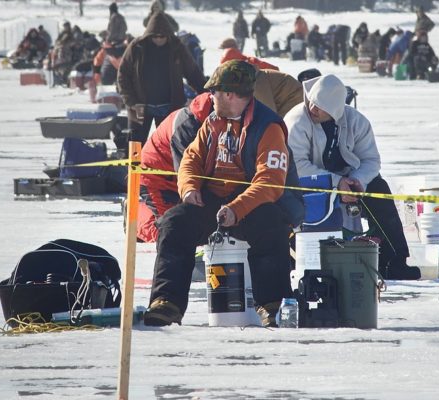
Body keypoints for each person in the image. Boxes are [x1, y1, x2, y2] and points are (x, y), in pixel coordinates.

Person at [144, 60, 304, 327]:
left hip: (254, 202)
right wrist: (190, 187)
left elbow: (270, 182)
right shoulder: (212, 122)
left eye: (214, 91)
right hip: (214, 200)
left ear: (229, 94)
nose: (210, 97)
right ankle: (167, 302)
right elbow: (190, 159)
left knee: (272, 225)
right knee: (173, 222)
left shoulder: (269, 128)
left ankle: (272, 304)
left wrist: (237, 209)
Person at [284, 74, 421, 281]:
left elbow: (371, 160)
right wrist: (336, 183)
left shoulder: (357, 121)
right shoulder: (296, 121)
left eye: (320, 107)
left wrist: (359, 182)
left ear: (335, 111)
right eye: (312, 103)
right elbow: (296, 165)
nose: (313, 109)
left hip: (349, 180)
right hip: (309, 184)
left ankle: (394, 261)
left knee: (379, 189)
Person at [118, 12, 205, 144]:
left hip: (169, 106)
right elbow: (123, 75)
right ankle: (135, 165)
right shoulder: (136, 47)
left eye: (162, 36)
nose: (159, 39)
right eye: (155, 36)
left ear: (168, 35)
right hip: (140, 106)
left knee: (169, 146)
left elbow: (193, 72)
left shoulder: (177, 47)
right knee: (135, 146)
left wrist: (205, 92)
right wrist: (130, 101)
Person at [137, 92, 214, 243]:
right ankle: (136, 215)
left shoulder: (221, 116)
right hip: (156, 179)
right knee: (167, 233)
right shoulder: (186, 125)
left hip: (176, 176)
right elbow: (187, 169)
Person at [220, 48, 302, 117]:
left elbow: (268, 113)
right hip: (285, 100)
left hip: (294, 100)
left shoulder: (255, 80)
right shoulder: (249, 75)